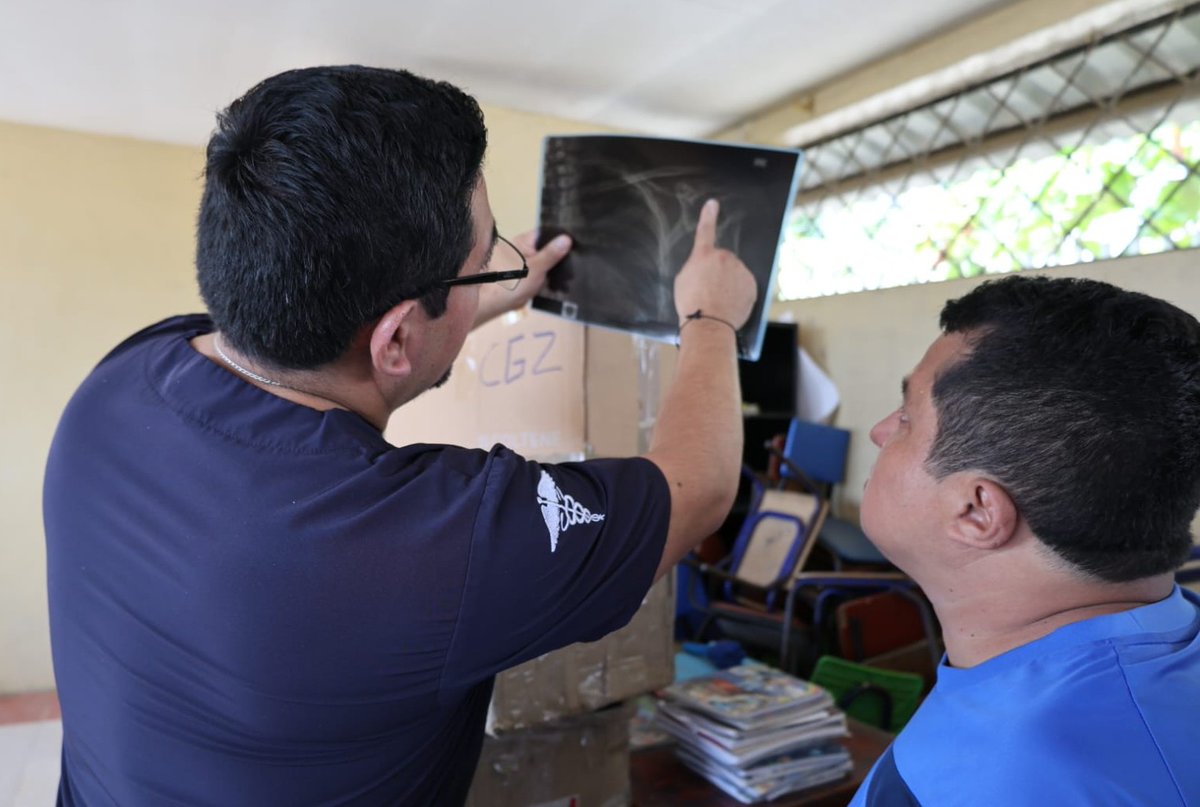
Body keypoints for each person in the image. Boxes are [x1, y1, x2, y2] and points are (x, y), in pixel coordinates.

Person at [42, 65, 757, 806]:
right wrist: (711, 318)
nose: (496, 265)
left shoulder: (125, 376)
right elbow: (699, 487)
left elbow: (334, 351)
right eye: (485, 261)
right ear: (395, 338)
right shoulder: (434, 542)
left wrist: (472, 301)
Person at [849, 274, 1200, 805]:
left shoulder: (1007, 779)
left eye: (906, 418)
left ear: (976, 511)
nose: (880, 431)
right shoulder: (1170, 640)